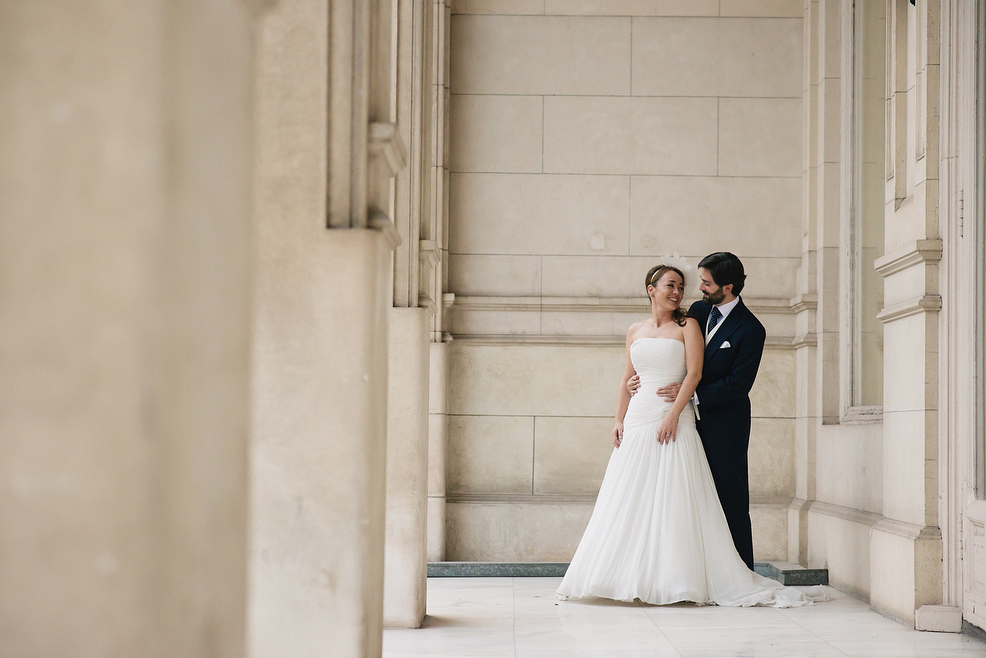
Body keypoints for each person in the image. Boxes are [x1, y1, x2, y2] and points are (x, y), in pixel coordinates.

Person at [556, 264, 822, 607]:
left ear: (726, 286)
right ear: (651, 289)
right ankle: (622, 575)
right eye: (673, 285)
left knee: (686, 497)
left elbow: (695, 373)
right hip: (638, 419)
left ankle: (692, 576)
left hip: (687, 418)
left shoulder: (701, 324)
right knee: (629, 495)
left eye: (687, 285)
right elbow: (627, 377)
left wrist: (673, 414)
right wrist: (618, 419)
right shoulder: (647, 326)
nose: (682, 291)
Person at [628, 252, 761, 570]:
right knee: (684, 497)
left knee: (729, 497)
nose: (698, 288)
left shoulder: (751, 329)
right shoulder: (698, 312)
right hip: (680, 418)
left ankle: (739, 570)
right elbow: (672, 349)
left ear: (727, 287)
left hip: (723, 424)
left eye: (706, 283)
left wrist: (691, 396)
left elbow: (738, 384)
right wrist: (643, 376)